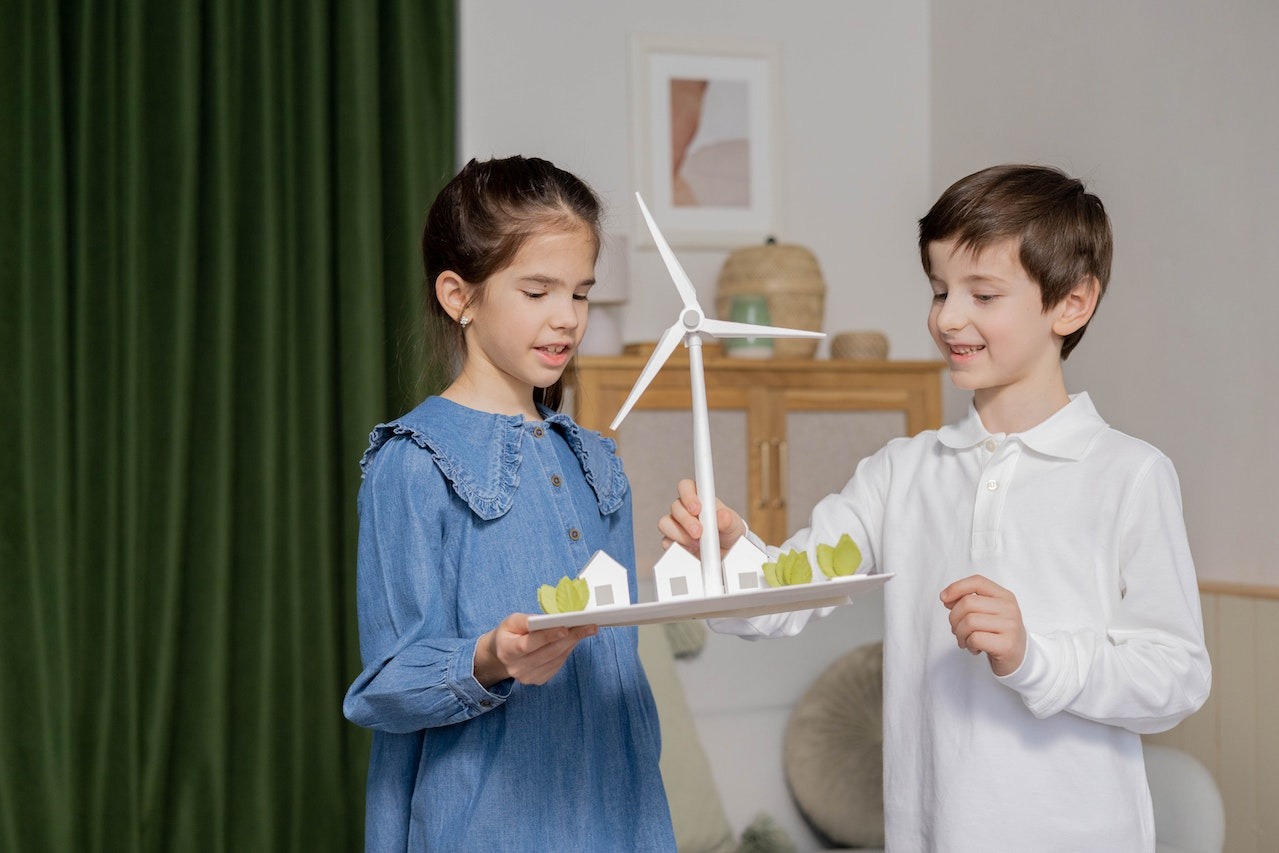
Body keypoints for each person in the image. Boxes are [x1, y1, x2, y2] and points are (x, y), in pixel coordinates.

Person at [659, 164, 1211, 852]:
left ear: (1070, 302)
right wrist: (728, 550)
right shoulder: (901, 472)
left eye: (982, 293)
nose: (948, 316)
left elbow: (1175, 677)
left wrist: (1030, 653)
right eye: (939, 289)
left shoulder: (1128, 475)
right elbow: (782, 597)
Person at [343, 156, 675, 852]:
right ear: (457, 294)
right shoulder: (414, 462)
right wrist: (489, 656)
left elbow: (620, 653)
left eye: (580, 294)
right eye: (536, 290)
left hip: (623, 811)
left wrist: (709, 563)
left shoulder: (595, 460)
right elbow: (383, 685)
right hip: (486, 822)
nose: (566, 319)